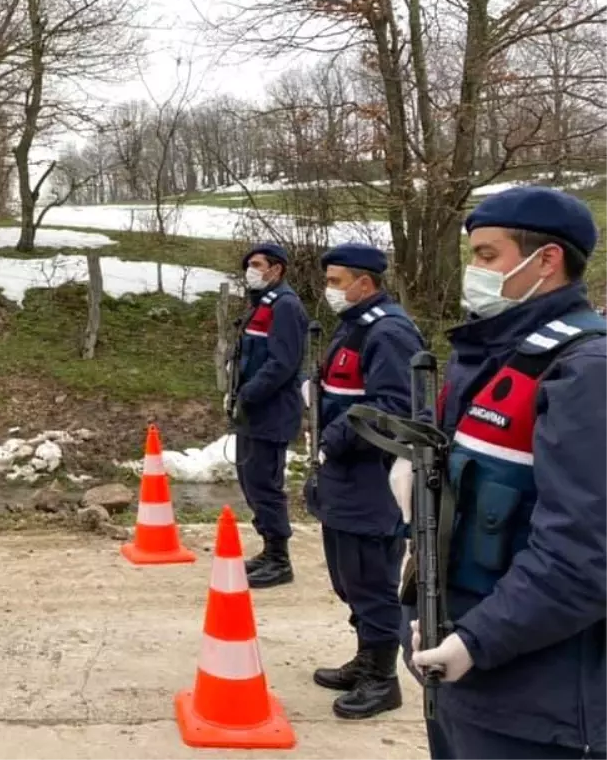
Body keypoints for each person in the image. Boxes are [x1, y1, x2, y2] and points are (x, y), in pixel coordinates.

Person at [405, 187, 607, 759]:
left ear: (547, 260)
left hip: (538, 706)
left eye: (488, 256)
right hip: (466, 680)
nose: (474, 271)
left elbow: (586, 554)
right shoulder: (494, 354)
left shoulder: (586, 373)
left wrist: (476, 640)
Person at [305, 242, 424, 720]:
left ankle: (383, 678)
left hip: (370, 483)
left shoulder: (389, 332)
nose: (329, 290)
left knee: (371, 580)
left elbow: (392, 408)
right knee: (348, 580)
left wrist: (334, 436)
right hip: (343, 480)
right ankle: (366, 657)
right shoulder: (355, 326)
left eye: (336, 282)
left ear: (365, 284)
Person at [226, 242, 308, 588]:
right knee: (251, 481)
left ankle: (280, 558)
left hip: (271, 410)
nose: (251, 271)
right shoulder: (260, 305)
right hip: (252, 410)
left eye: (258, 264)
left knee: (265, 483)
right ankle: (269, 548)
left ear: (277, 270)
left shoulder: (286, 306)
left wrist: (248, 394)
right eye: (249, 265)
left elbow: (282, 363)